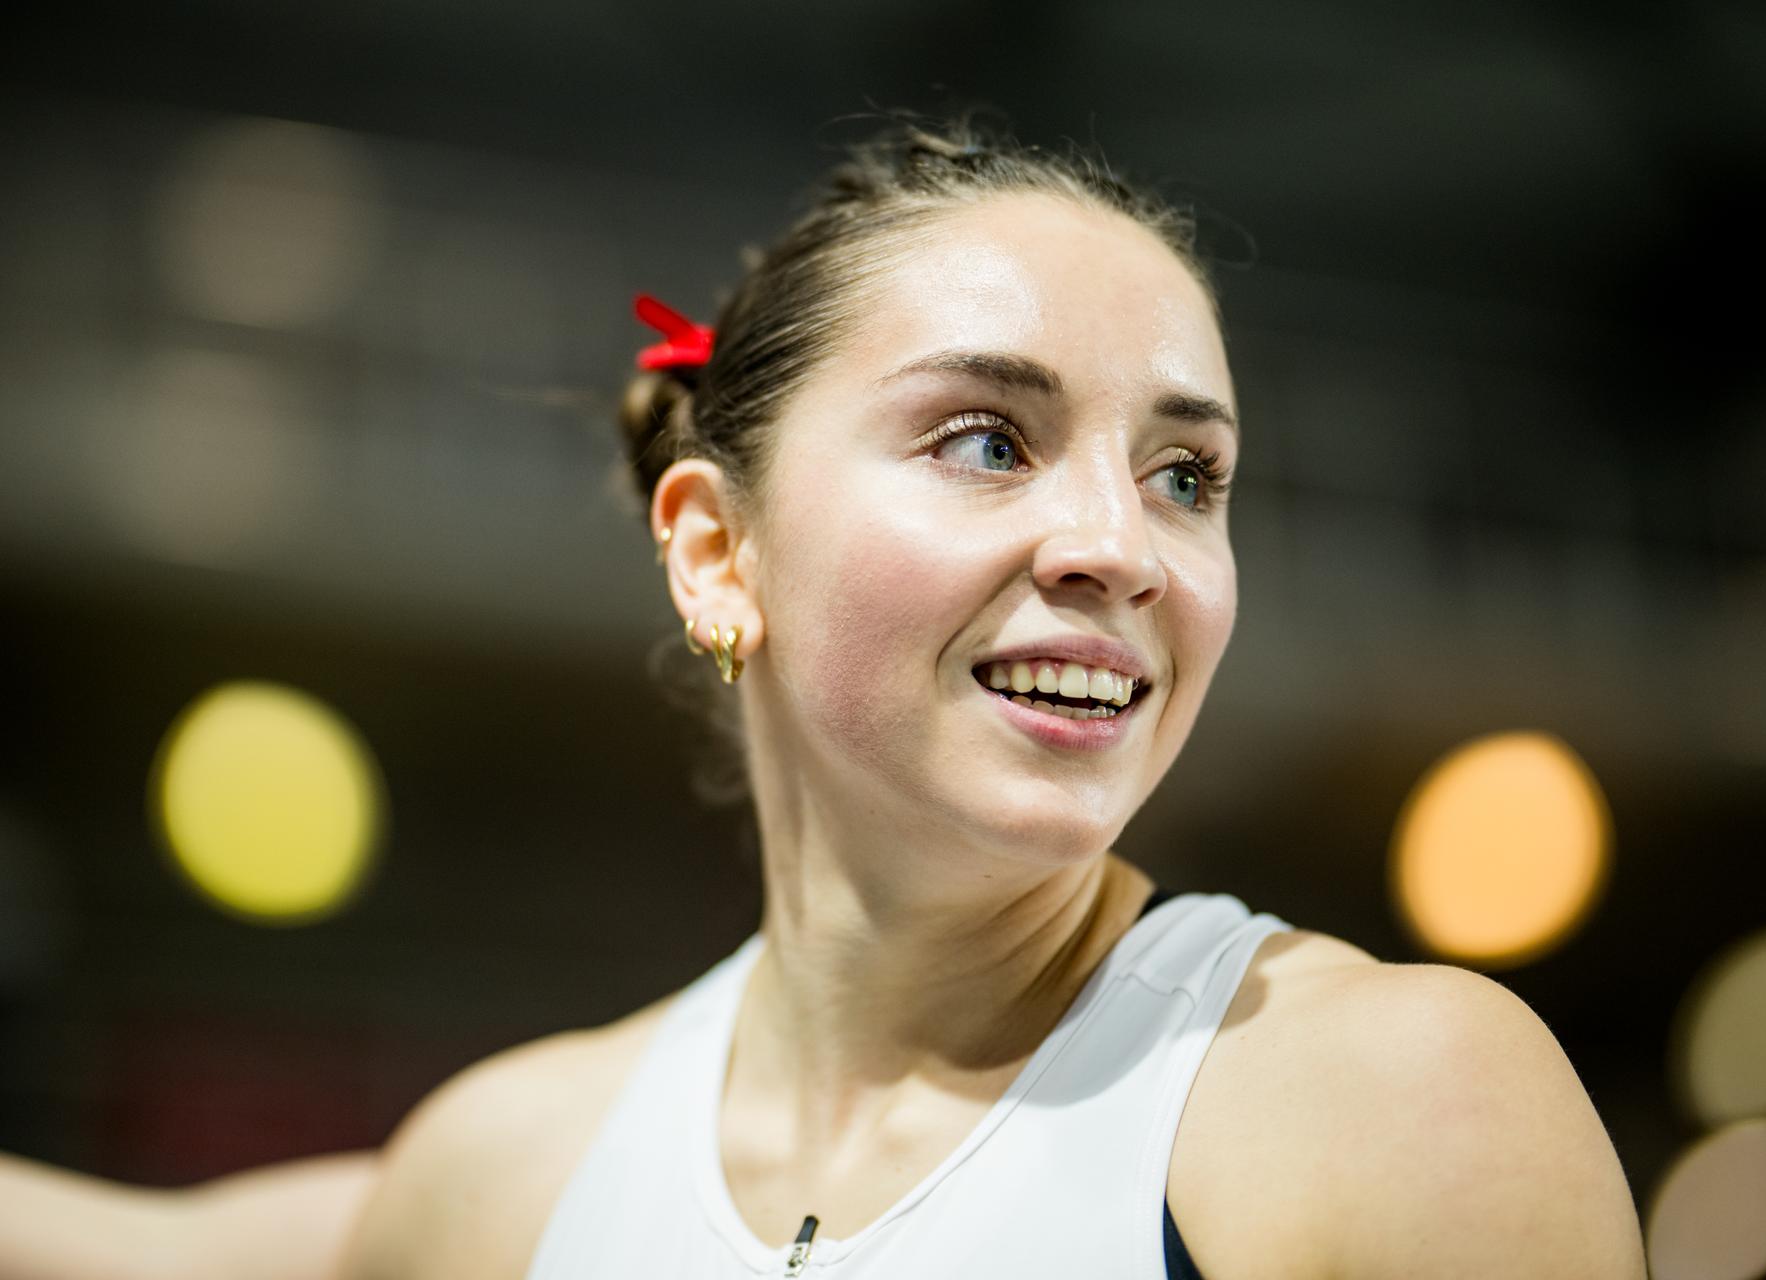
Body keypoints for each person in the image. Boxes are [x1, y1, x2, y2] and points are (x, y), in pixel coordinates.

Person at [0, 118, 1647, 1279]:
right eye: (988, 440)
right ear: (719, 551)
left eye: (1186, 473)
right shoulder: (515, 1170)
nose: (1120, 546)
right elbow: (164, 1254)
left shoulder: (1394, 1101)